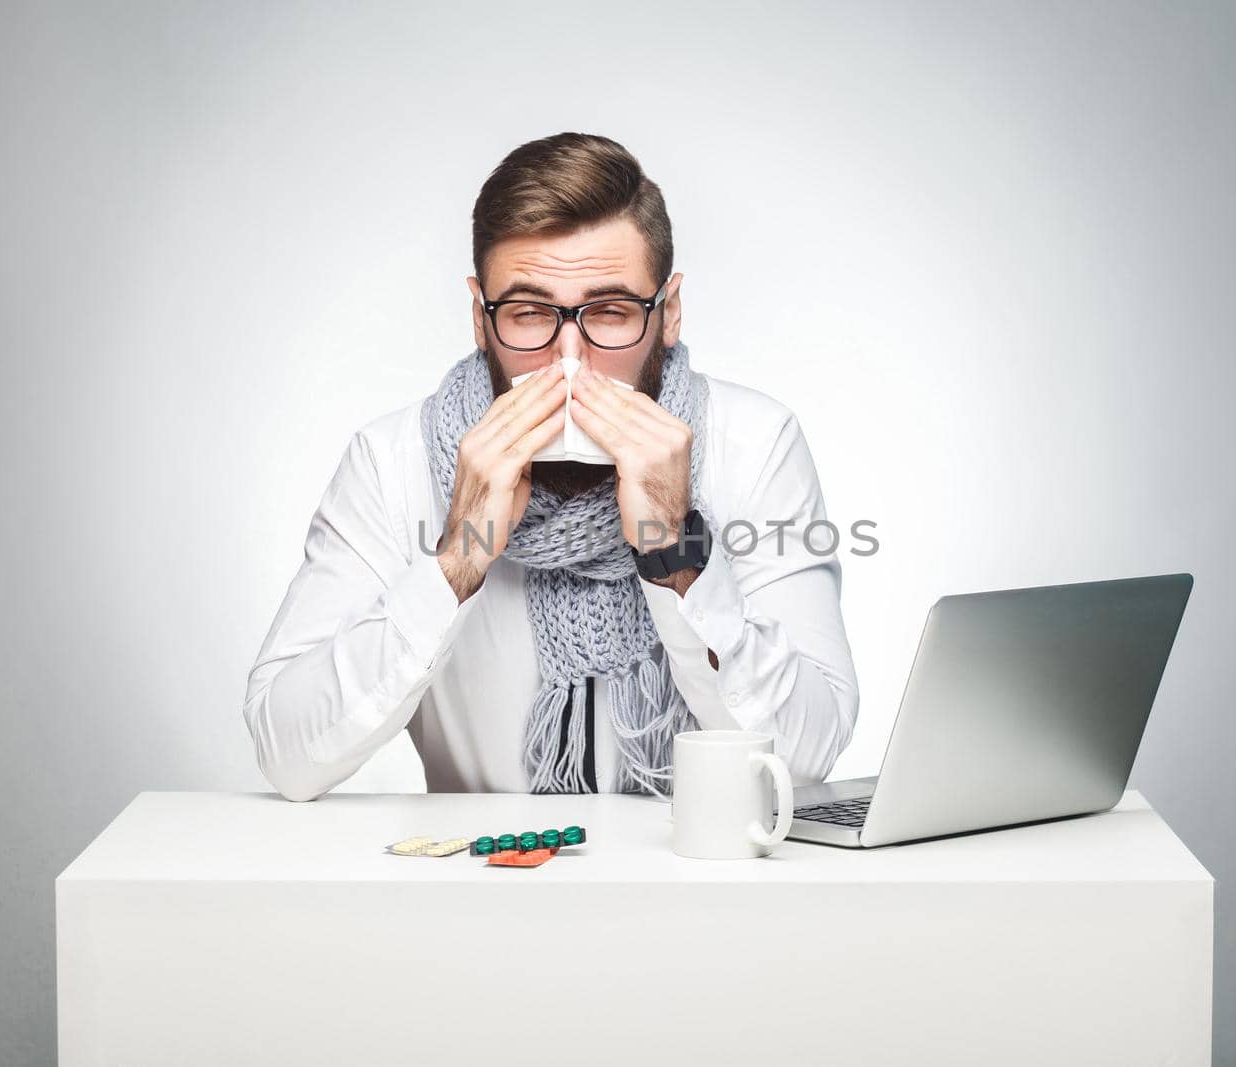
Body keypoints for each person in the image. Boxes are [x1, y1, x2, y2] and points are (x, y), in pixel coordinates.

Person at [243, 132, 859, 801]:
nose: (570, 361)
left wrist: (676, 550)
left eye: (611, 312)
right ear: (481, 318)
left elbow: (805, 757)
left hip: (704, 886)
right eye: (531, 313)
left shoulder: (753, 443)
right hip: (486, 887)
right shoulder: (394, 461)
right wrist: (459, 556)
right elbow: (287, 752)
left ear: (669, 311)